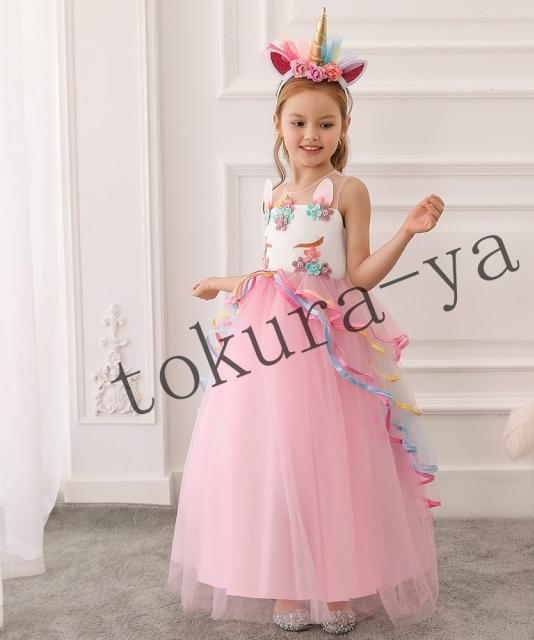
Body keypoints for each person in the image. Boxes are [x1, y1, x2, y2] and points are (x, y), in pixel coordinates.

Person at [167, 7, 446, 635]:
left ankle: (335, 584)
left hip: (328, 338)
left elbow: (358, 275)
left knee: (333, 459)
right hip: (267, 337)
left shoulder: (346, 191)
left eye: (325, 123)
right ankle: (288, 584)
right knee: (276, 456)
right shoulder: (272, 195)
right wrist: (223, 282)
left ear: (343, 128)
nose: (311, 134)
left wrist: (407, 231)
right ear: (278, 125)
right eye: (299, 122)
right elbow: (273, 272)